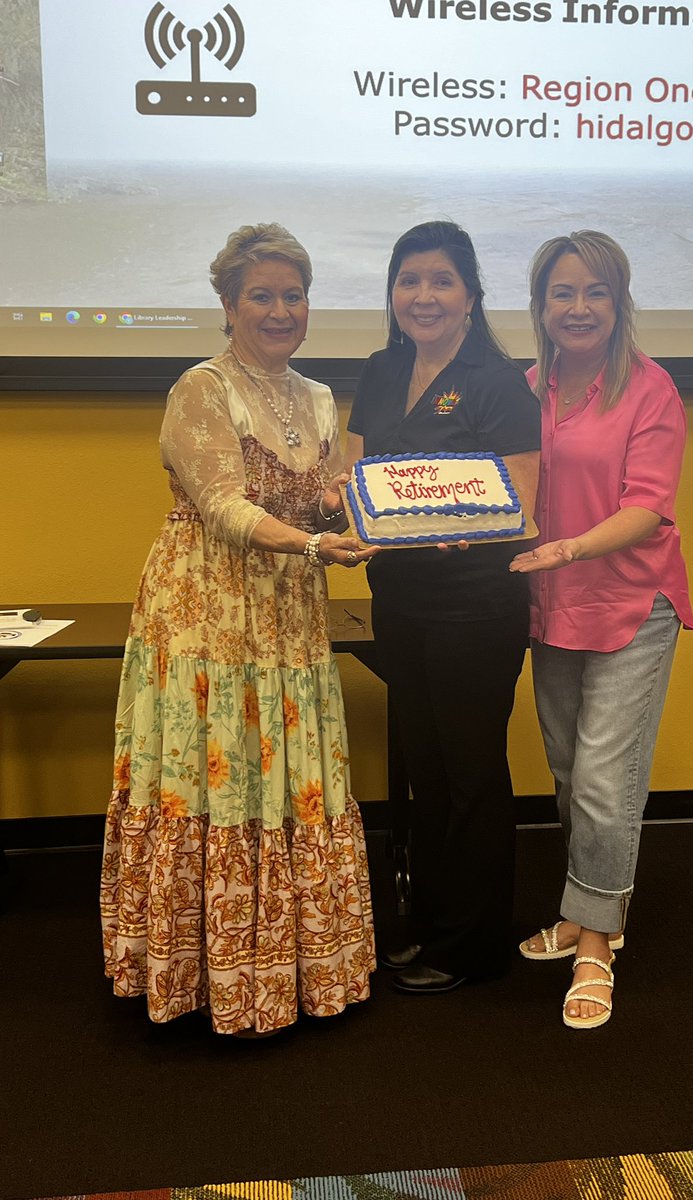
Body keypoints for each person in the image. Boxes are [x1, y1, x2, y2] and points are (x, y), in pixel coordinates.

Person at [100, 223, 378, 1036]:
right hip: (207, 613)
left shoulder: (321, 396)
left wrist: (359, 511)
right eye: (263, 295)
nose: (281, 310)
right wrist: (318, 542)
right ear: (228, 304)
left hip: (287, 612)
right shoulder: (203, 388)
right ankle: (200, 973)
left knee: (289, 780)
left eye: (295, 295)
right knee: (214, 776)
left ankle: (290, 968)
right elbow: (223, 506)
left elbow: (320, 494)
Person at [346, 220, 541, 994]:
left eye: (440, 281)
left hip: (475, 603)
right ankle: (427, 923)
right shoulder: (379, 369)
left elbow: (520, 503)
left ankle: (472, 944)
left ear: (471, 296)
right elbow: (355, 475)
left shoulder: (498, 381)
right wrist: (342, 510)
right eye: (408, 280)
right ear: (392, 292)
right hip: (398, 599)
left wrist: (469, 525)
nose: (422, 296)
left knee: (470, 773)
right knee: (424, 768)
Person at [510, 230, 693, 1030]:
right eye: (563, 293)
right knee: (566, 770)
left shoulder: (650, 390)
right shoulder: (524, 390)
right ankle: (588, 909)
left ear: (619, 303)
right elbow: (499, 491)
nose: (578, 307)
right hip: (551, 606)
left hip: (632, 603)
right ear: (542, 306)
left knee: (603, 783)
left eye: (595, 293)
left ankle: (596, 942)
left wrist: (572, 547)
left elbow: (648, 505)